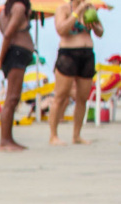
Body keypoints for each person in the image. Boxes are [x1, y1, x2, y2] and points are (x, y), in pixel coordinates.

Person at [49, 0, 105, 145]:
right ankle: (53, 135)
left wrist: (94, 24)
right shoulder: (63, 9)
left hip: (87, 54)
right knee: (60, 96)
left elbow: (100, 32)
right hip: (68, 53)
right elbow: (61, 30)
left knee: (82, 97)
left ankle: (76, 135)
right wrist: (77, 11)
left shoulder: (90, 8)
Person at [0, 0, 33, 151]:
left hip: (15, 54)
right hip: (16, 53)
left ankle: (8, 138)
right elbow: (8, 34)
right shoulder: (19, 7)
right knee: (12, 98)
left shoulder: (4, 11)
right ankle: (5, 140)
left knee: (13, 99)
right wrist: (0, 58)